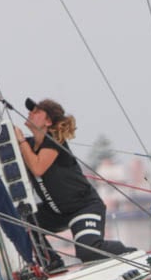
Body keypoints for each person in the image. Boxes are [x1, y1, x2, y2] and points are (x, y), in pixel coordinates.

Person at [13, 97, 132, 268]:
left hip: (83, 207)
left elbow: (38, 168)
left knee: (88, 252)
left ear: (48, 121)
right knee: (21, 221)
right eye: (31, 110)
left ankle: (131, 253)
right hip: (58, 212)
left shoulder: (54, 140)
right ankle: (51, 263)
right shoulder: (29, 145)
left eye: (36, 111)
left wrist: (21, 141)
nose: (30, 113)